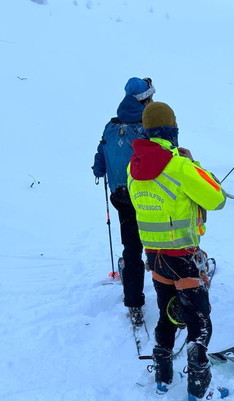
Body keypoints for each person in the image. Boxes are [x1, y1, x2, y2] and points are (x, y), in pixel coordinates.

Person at [127, 102, 227, 401]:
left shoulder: (134, 165)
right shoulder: (180, 165)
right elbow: (217, 199)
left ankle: (162, 375)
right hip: (183, 255)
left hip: (154, 255)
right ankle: (199, 385)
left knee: (167, 313)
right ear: (172, 131)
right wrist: (194, 165)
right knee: (199, 318)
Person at [92, 77, 155, 324]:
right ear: (145, 99)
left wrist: (99, 171)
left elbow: (101, 155)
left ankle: (134, 303)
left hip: (120, 195)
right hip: (148, 196)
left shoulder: (110, 126)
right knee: (156, 241)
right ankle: (167, 287)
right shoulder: (147, 126)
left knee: (131, 246)